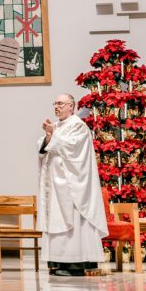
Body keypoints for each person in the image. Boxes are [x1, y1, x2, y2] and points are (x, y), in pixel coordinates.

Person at [37, 94, 108, 277]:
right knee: (56, 220)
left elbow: (73, 148)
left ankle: (76, 264)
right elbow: (45, 148)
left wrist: (54, 135)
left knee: (73, 222)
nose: (56, 106)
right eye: (55, 103)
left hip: (72, 186)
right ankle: (58, 262)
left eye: (60, 103)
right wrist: (47, 137)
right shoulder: (58, 125)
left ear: (71, 106)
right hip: (55, 185)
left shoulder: (78, 125)